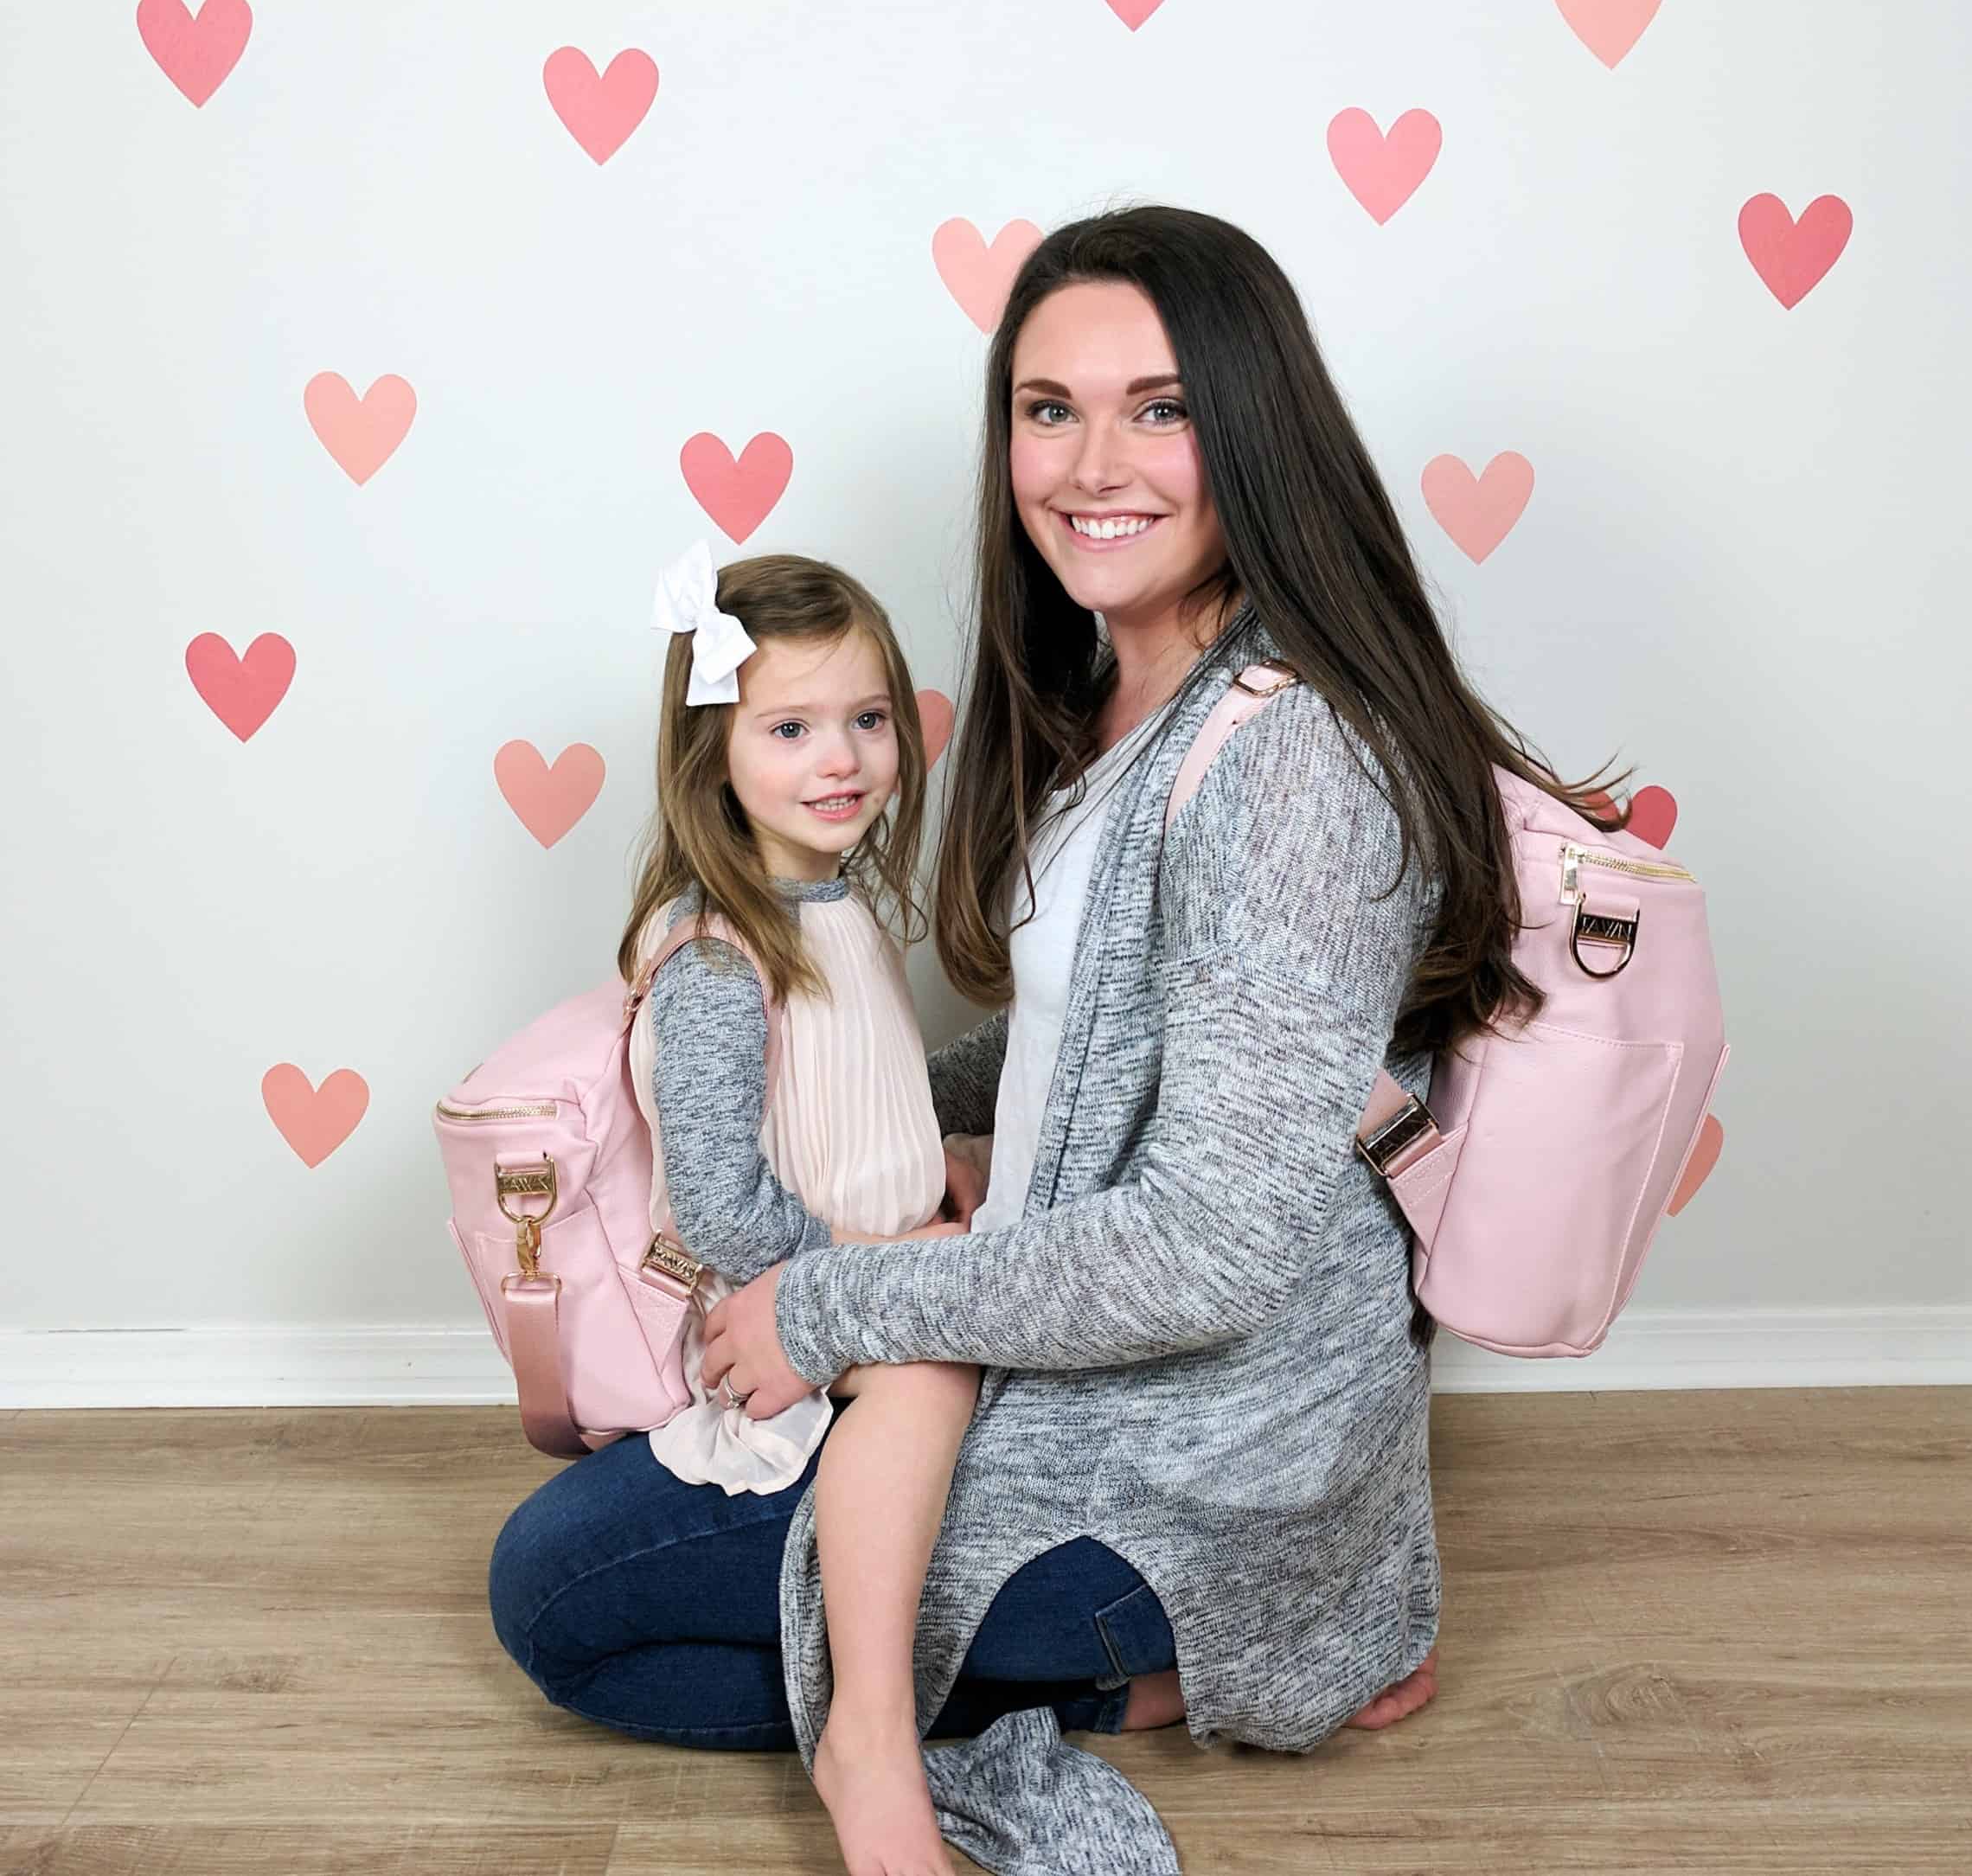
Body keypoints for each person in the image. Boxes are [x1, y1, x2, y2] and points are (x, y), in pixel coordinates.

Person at [494, 204, 1613, 1872]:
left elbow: (1207, 1252)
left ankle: (1172, 1653)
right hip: (1083, 1347)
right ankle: (1177, 1656)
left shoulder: (1295, 757)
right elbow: (1089, 1049)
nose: (1094, 461)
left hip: (1186, 1446)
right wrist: (909, 1112)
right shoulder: (1125, 693)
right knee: (614, 1548)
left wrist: (832, 1294)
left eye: (1159, 407)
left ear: (1254, 429)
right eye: (1047, 408)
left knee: (561, 1597)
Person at [620, 544, 989, 1875]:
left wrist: (940, 1144)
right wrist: (891, 1261)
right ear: (715, 750)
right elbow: (725, 1209)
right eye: (790, 727)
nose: (842, 759)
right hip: (784, 1324)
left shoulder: (836, 907)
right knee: (934, 1362)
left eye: (868, 719)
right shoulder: (720, 954)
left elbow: (853, 1091)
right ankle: (868, 1736)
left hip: (868, 1274)